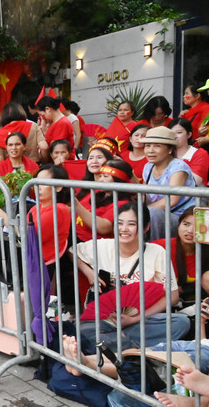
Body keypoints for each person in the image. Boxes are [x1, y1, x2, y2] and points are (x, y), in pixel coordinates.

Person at [71, 200, 190, 347]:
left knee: (181, 322)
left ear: (146, 227)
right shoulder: (102, 246)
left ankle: (119, 346)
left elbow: (172, 297)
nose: (124, 229)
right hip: (104, 321)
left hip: (140, 322)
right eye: (119, 223)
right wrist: (89, 272)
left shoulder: (157, 252)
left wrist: (135, 319)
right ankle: (131, 347)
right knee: (80, 331)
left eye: (132, 224)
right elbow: (72, 252)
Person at [141, 126, 196, 240]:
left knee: (152, 213)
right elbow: (145, 194)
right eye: (147, 146)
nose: (150, 150)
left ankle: (152, 251)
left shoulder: (178, 167)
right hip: (159, 214)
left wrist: (143, 211)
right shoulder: (148, 167)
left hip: (182, 218)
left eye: (157, 146)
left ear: (170, 149)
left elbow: (171, 200)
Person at [73, 159, 134, 243]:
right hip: (75, 235)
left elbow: (103, 228)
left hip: (94, 243)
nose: (101, 180)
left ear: (118, 180)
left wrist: (76, 204)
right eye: (100, 176)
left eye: (105, 176)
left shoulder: (123, 203)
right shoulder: (97, 192)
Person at [169, 117, 209, 186]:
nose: (175, 136)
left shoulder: (200, 154)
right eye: (172, 133)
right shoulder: (164, 153)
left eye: (179, 133)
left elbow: (194, 182)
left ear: (189, 135)